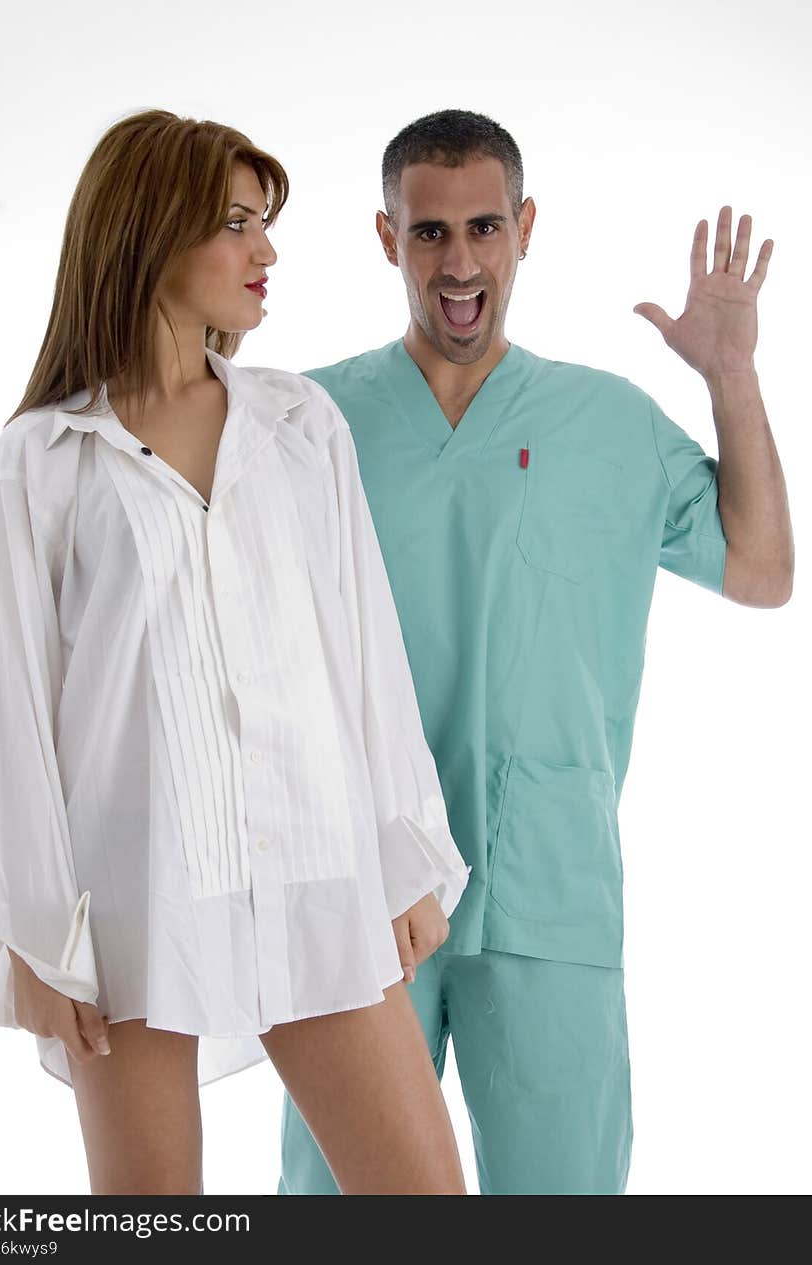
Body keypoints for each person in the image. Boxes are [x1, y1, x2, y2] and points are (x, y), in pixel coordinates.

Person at [0, 108, 473, 1196]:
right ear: (145, 234)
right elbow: (15, 716)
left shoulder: (300, 425)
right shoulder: (40, 460)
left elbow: (363, 647)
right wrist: (40, 935)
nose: (266, 251)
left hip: (320, 867)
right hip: (135, 902)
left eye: (265, 222)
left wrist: (406, 845)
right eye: (235, 222)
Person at [278, 108, 794, 1196]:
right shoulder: (307, 421)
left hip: (547, 892)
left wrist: (731, 379)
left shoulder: (606, 422)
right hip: (358, 901)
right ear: (386, 238)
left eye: (482, 228)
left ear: (523, 228)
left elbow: (761, 570)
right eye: (428, 234)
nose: (458, 262)